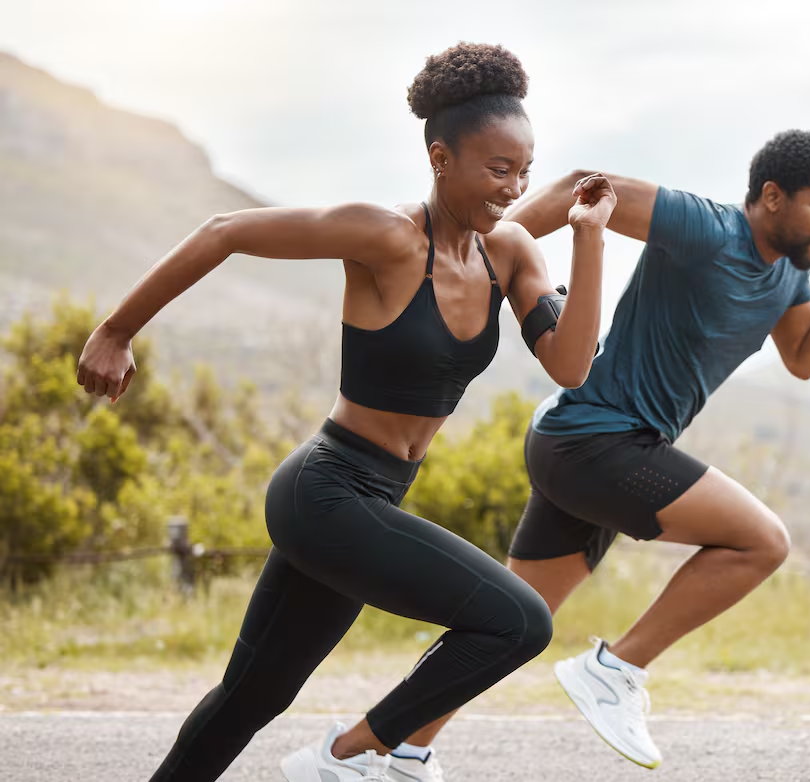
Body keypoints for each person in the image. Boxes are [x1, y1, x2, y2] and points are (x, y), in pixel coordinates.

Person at [75, 43, 616, 782]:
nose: (513, 187)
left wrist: (588, 243)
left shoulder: (512, 252)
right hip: (326, 491)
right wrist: (116, 329)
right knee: (520, 621)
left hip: (373, 499)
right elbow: (223, 230)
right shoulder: (385, 236)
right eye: (497, 170)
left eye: (524, 170)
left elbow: (571, 364)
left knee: (252, 696)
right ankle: (350, 756)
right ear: (440, 158)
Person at [403, 129, 810, 770]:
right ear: (772, 197)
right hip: (598, 442)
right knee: (762, 542)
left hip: (590, 450)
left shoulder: (787, 278)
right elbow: (581, 187)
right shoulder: (707, 228)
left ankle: (382, 750)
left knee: (507, 627)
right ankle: (615, 670)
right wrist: (475, 261)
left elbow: (804, 357)